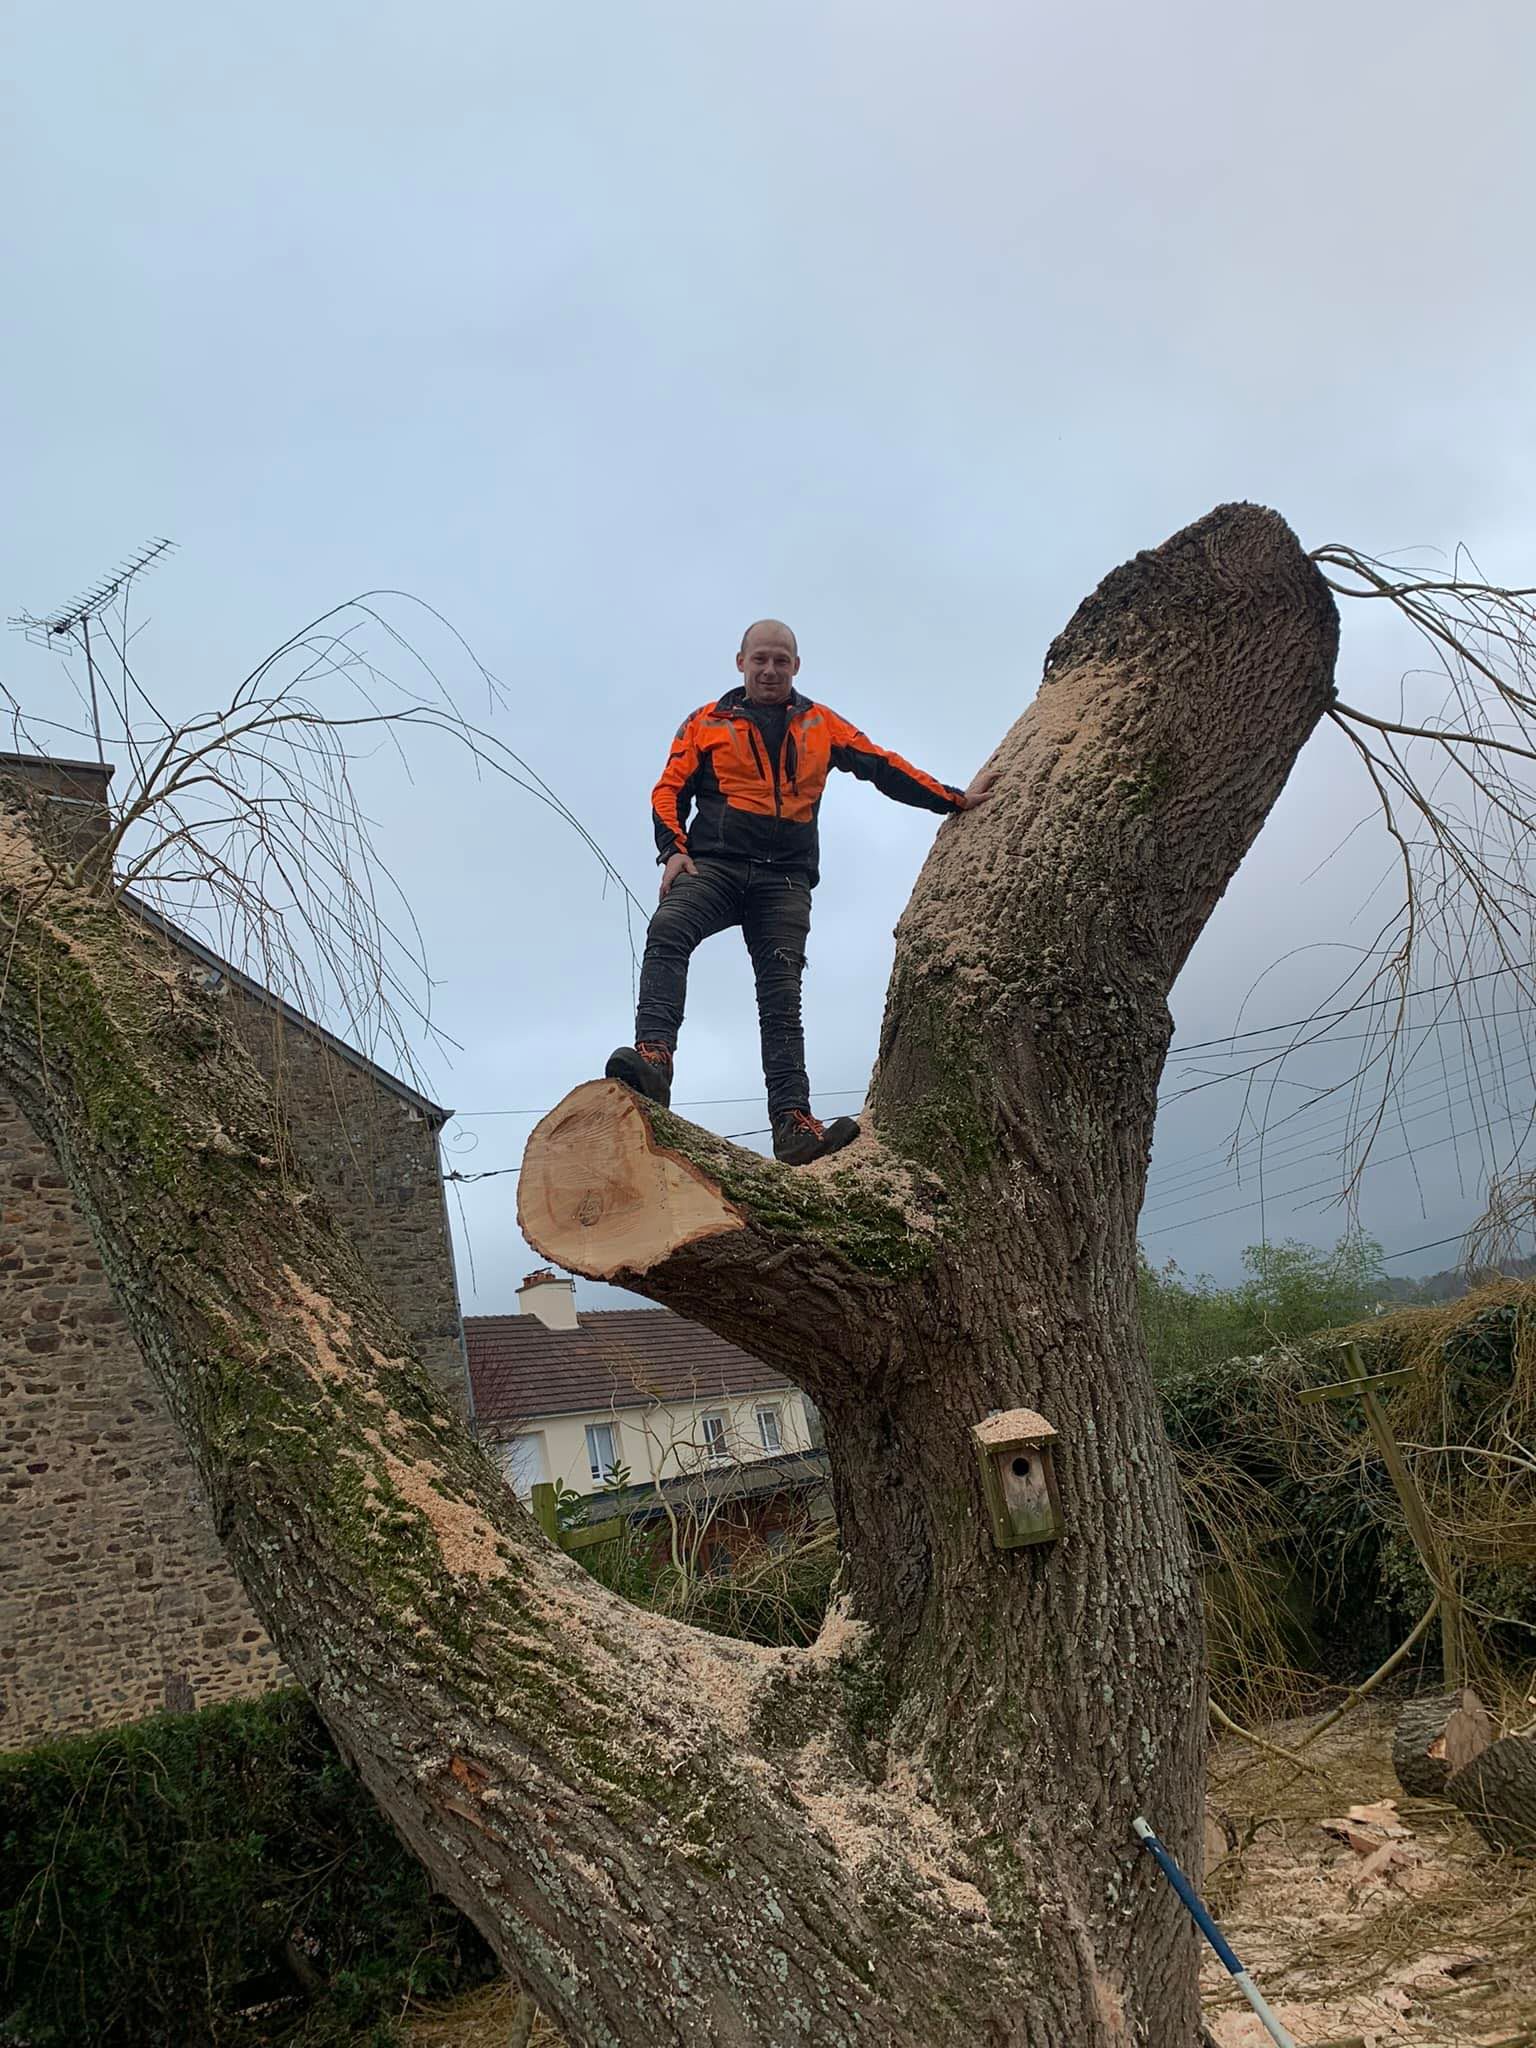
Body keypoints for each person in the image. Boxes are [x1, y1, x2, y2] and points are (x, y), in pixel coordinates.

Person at [605, 619, 998, 1165]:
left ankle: (793, 1124)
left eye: (781, 660)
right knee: (669, 928)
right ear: (740, 662)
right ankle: (655, 1060)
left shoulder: (820, 723)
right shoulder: (706, 722)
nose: (770, 670)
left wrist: (952, 798)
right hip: (715, 866)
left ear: (796, 665)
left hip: (785, 879)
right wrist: (673, 849)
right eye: (760, 659)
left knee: (781, 996)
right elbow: (669, 788)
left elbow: (883, 766)